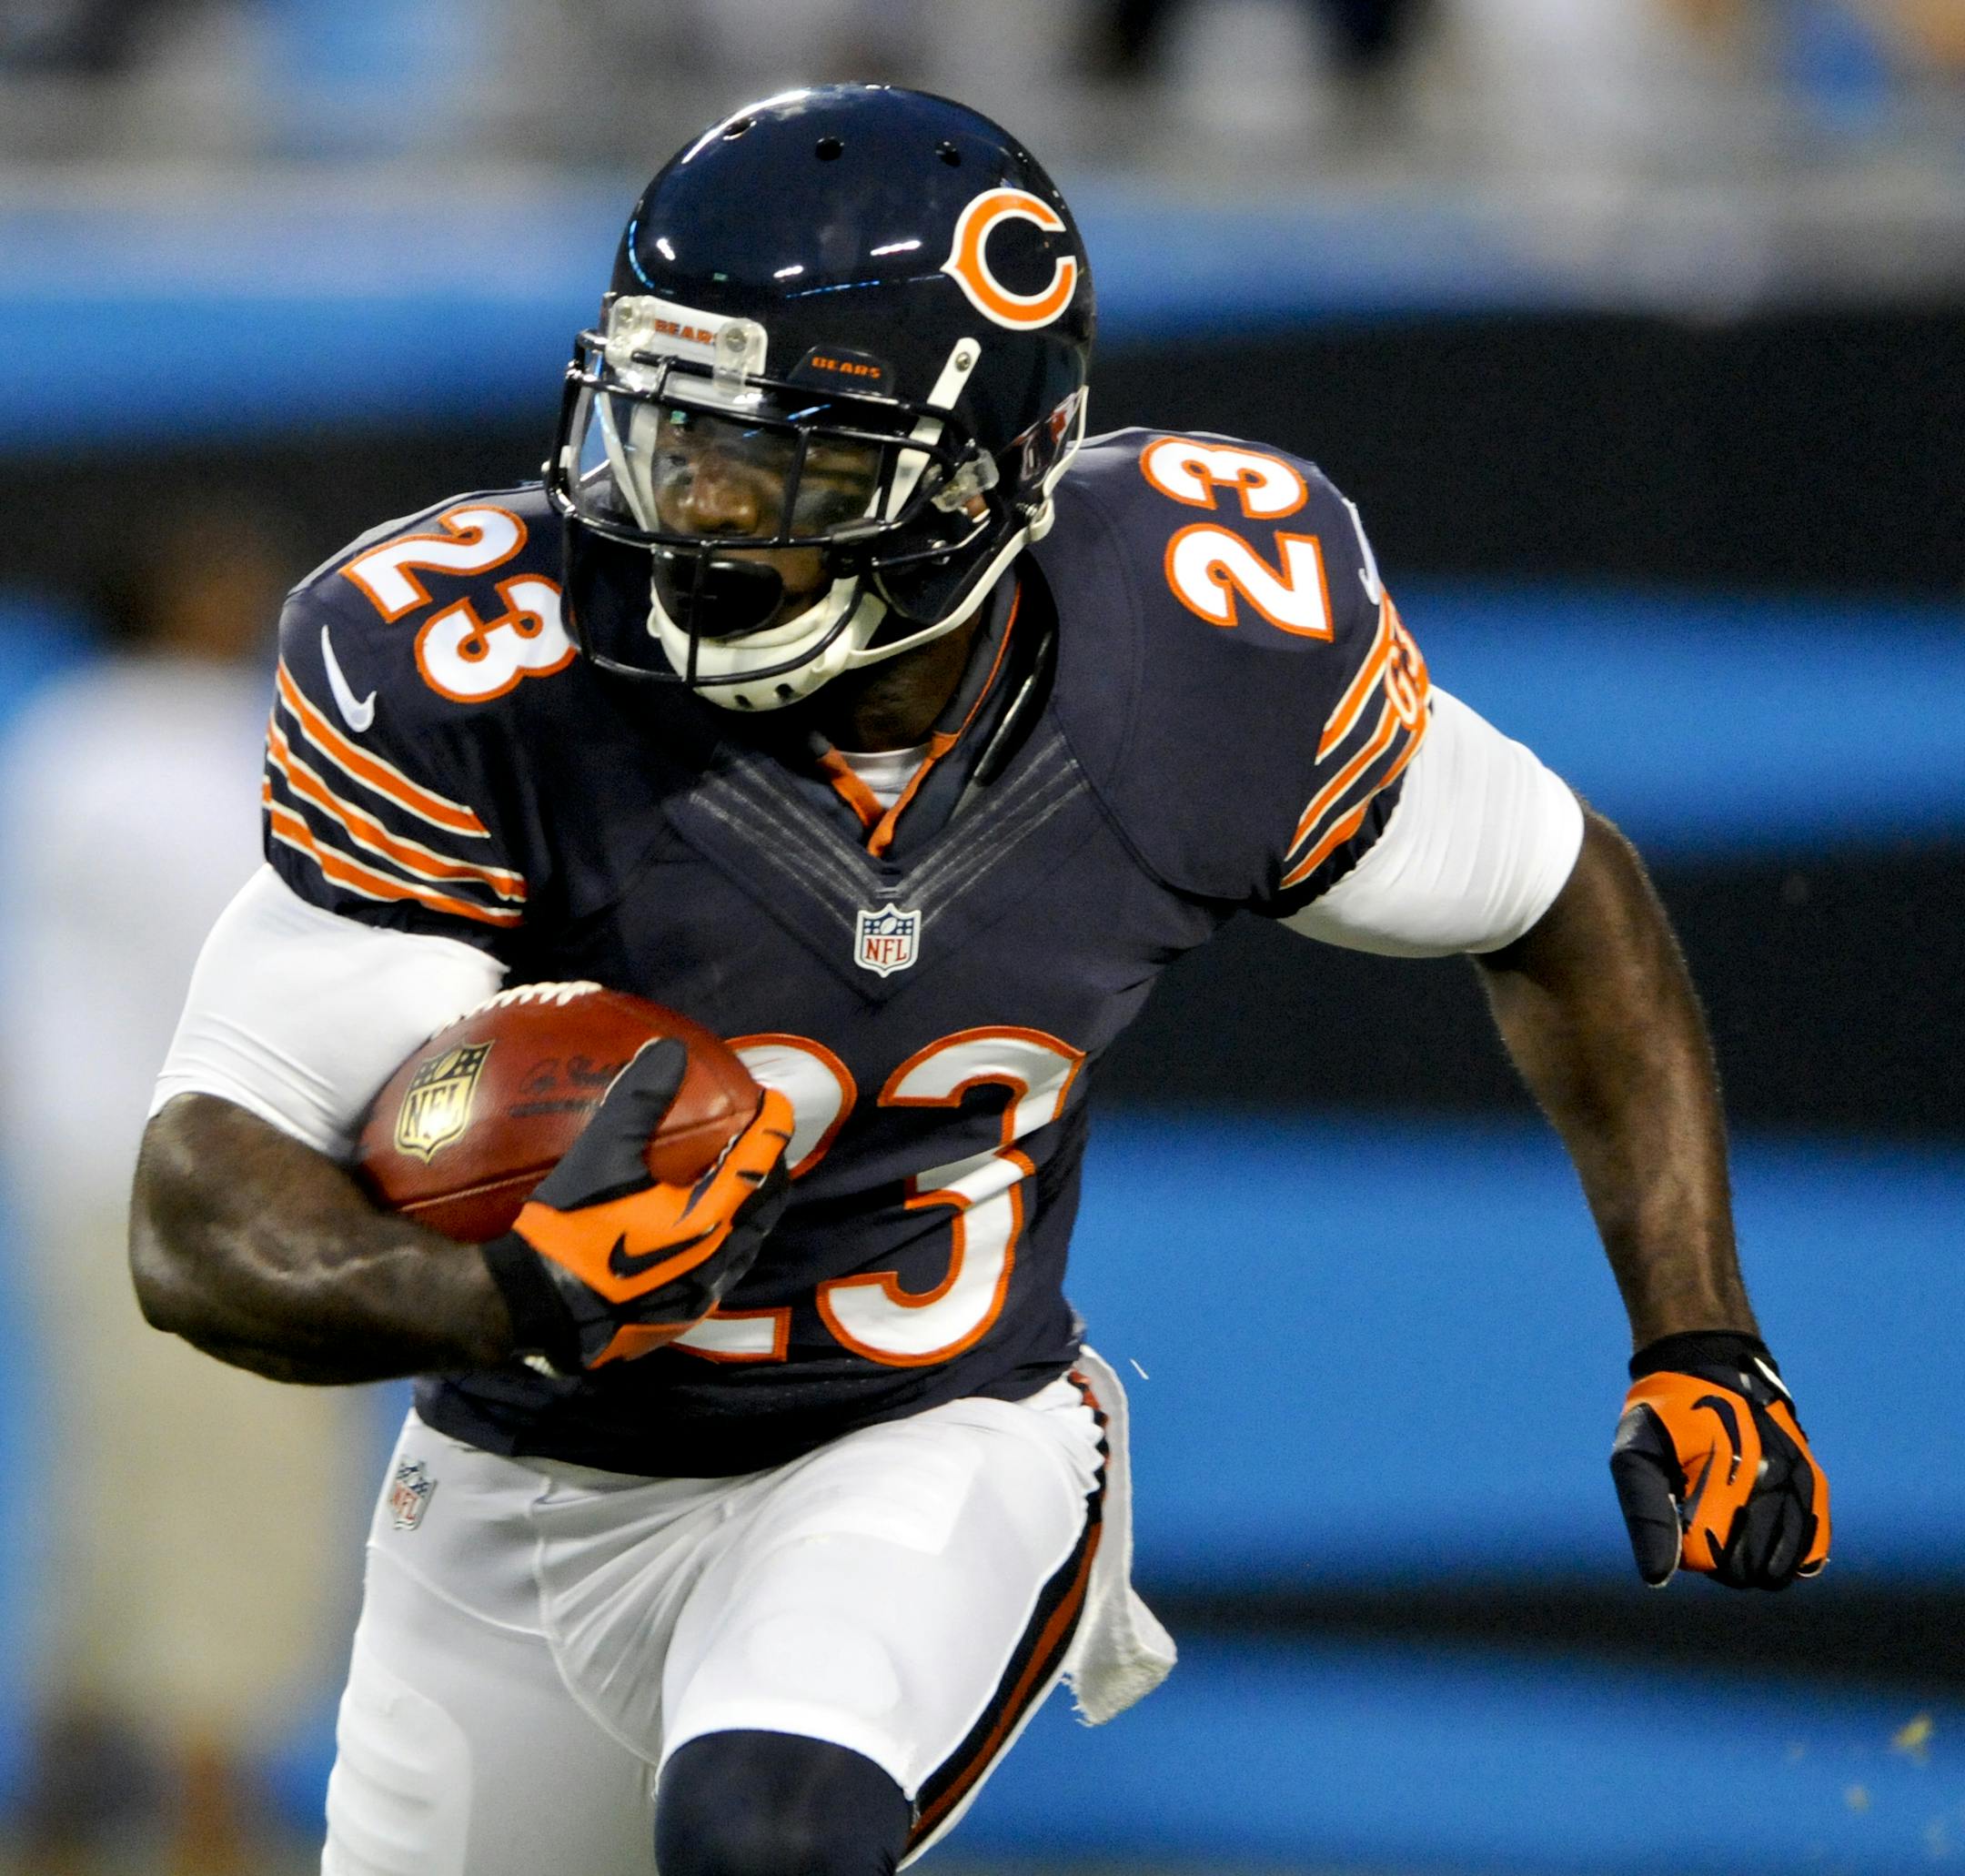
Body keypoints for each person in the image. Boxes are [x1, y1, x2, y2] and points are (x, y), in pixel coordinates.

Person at [128, 84, 1830, 1876]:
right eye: (657, 429)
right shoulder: (489, 674)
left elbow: (1565, 895)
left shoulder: (1198, 649)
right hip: (516, 1490)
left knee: (765, 1830)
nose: (677, 506)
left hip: (921, 1432)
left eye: (768, 466)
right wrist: (502, 1295)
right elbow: (197, 1201)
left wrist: (1697, 1330)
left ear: (984, 479)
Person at [0, 499, 368, 1875]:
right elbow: (286, 965)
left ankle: (54, 1812)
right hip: (217, 1185)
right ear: (160, 596)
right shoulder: (188, 742)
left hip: (82, 1180)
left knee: (116, 1500)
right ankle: (211, 1834)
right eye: (216, 565)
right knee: (225, 1498)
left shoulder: (60, 737)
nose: (248, 583)